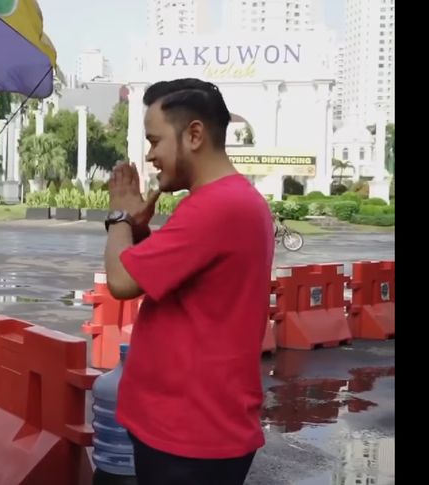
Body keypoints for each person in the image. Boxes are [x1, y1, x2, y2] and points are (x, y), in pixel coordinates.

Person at [100, 79, 274, 485]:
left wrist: (118, 219)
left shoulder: (217, 206)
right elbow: (176, 276)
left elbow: (122, 280)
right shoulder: (226, 200)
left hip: (191, 435)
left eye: (155, 140)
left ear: (194, 134)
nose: (151, 155)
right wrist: (138, 233)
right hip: (192, 427)